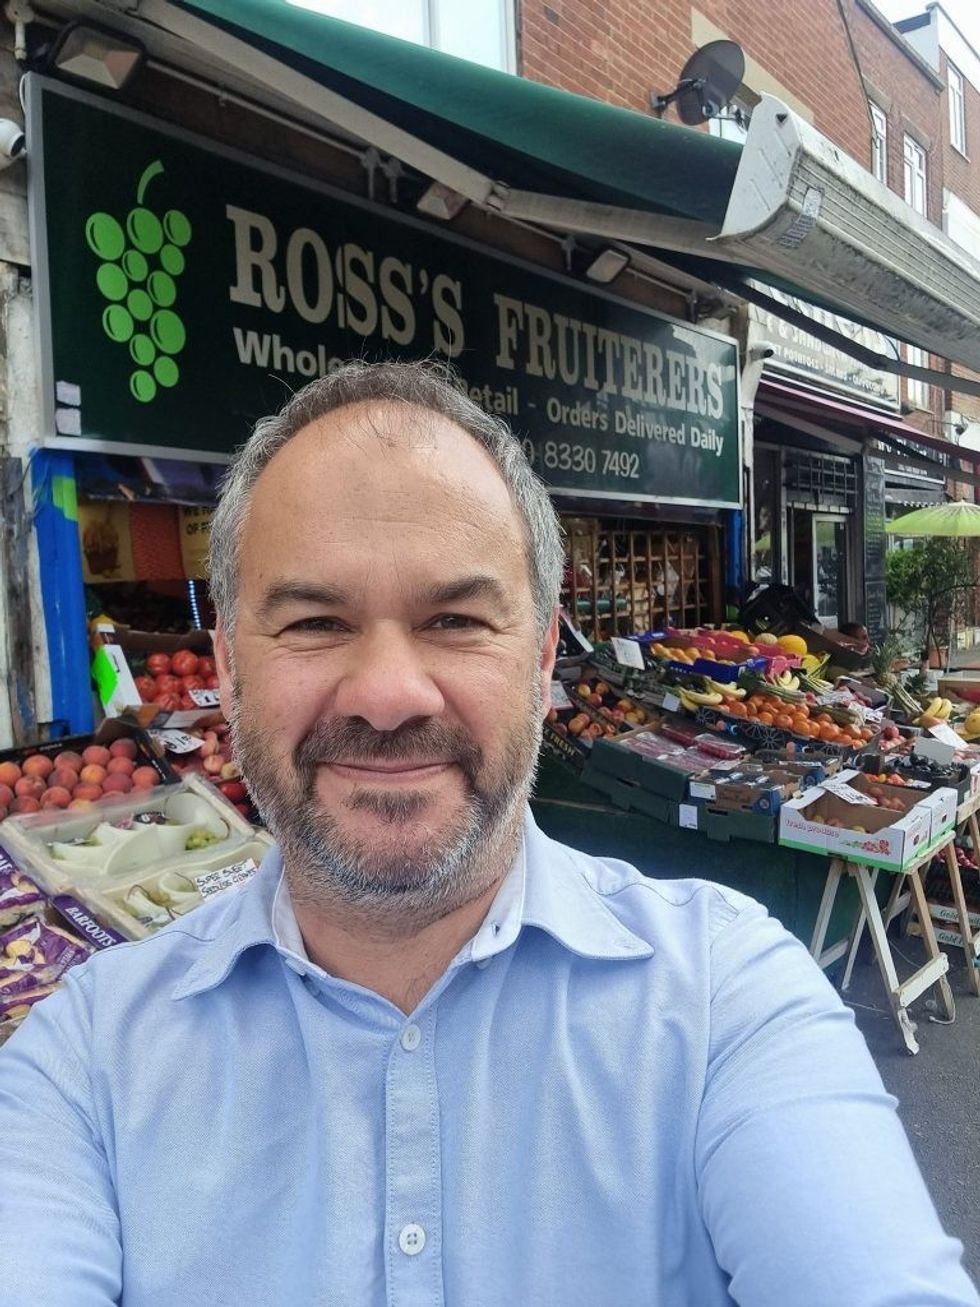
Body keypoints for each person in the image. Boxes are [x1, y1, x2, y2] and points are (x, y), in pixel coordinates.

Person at [0, 360, 976, 1307]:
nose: (388, 694)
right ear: (227, 665)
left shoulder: (725, 998)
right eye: (314, 622)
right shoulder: (84, 1062)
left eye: (457, 619)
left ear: (542, 657)